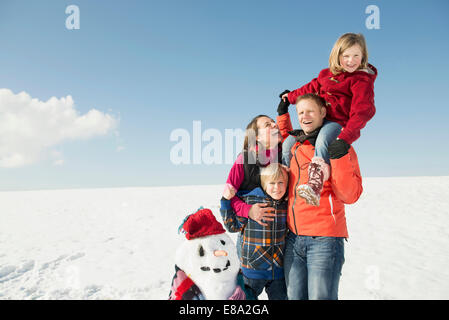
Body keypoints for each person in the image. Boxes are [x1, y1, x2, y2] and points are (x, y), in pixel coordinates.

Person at [277, 93, 363, 300]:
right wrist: (282, 113)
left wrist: (337, 156)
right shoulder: (297, 146)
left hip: (324, 240)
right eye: (301, 113)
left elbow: (350, 195)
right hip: (293, 238)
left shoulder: (339, 147)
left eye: (310, 111)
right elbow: (285, 135)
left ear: (323, 112)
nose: (305, 117)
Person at [279, 32, 377, 207]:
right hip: (319, 120)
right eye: (346, 56)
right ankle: (284, 181)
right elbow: (310, 87)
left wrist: (346, 138)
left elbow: (363, 111)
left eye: (356, 55)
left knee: (323, 140)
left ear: (363, 56)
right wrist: (291, 97)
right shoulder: (327, 74)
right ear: (337, 55)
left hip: (337, 124)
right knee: (288, 143)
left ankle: (315, 183)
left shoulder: (362, 80)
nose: (351, 60)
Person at [220, 163, 288, 300]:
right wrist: (225, 202)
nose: (277, 187)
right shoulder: (251, 202)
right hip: (252, 271)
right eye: (272, 183)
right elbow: (232, 226)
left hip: (278, 272)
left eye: (281, 182)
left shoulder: (285, 204)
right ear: (264, 184)